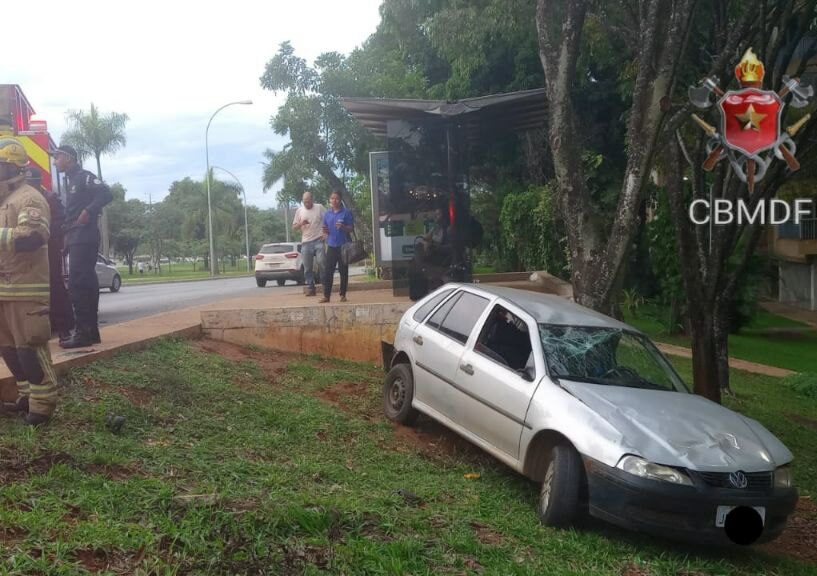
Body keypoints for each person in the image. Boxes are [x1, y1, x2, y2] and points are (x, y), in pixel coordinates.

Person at [0, 138, 58, 426]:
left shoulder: (29, 198)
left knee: (30, 348)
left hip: (26, 287)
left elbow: (33, 238)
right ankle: (26, 397)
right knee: (8, 348)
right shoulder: (5, 200)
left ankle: (42, 405)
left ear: (12, 167)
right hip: (4, 288)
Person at [51, 145, 112, 349]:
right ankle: (90, 332)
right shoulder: (69, 181)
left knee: (78, 284)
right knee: (85, 282)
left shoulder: (84, 177)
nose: (54, 161)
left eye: (57, 157)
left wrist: (88, 210)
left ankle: (82, 333)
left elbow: (106, 193)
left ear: (68, 158)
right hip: (75, 235)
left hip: (84, 235)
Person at [37, 184, 74, 343]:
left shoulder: (50, 198)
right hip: (25, 254)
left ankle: (64, 329)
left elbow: (60, 223)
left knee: (55, 288)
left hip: (48, 250)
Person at [320, 190, 354, 303]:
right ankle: (326, 296)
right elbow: (325, 229)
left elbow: (351, 228)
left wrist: (343, 227)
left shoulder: (346, 212)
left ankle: (343, 294)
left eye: (337, 198)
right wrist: (325, 231)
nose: (334, 201)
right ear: (329, 200)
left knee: (343, 271)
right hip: (331, 244)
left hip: (343, 246)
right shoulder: (327, 214)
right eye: (332, 198)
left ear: (340, 200)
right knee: (328, 271)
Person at [292, 190, 326, 296]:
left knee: (321, 262)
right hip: (306, 241)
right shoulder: (299, 211)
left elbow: (327, 220)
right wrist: (301, 223)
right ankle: (311, 287)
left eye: (308, 201)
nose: (306, 203)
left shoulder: (319, 207)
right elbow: (294, 227)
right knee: (307, 267)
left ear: (312, 199)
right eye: (304, 201)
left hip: (318, 240)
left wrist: (325, 234)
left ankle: (326, 285)